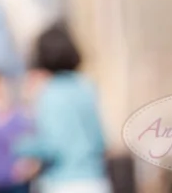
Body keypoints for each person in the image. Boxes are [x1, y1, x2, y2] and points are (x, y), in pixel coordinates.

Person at [14, 22, 110, 193]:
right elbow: (100, 139)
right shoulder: (86, 86)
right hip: (96, 180)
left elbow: (52, 145)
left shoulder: (49, 92)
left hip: (63, 183)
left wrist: (21, 145)